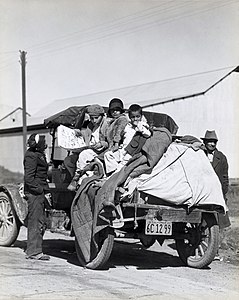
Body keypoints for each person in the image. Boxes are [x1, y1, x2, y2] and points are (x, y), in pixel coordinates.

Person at [202, 130, 230, 261]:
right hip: (202, 194)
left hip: (217, 195)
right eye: (209, 142)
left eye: (214, 142)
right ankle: (205, 251)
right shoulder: (199, 155)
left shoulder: (221, 157)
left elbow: (225, 177)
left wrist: (222, 193)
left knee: (217, 224)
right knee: (203, 223)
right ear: (205, 142)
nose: (212, 144)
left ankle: (215, 252)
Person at [67, 104, 108, 191]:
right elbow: (86, 137)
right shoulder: (90, 126)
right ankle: (79, 177)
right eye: (92, 118)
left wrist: (102, 143)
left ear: (102, 116)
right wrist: (78, 133)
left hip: (101, 151)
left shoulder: (106, 125)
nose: (94, 120)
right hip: (91, 149)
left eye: (96, 118)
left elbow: (110, 142)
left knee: (84, 155)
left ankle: (78, 177)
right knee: (69, 160)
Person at [23, 133, 51, 260]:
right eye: (43, 143)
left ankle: (35, 249)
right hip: (34, 193)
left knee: (40, 220)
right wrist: (39, 190)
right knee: (35, 220)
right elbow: (29, 178)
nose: (45, 145)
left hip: (39, 191)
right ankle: (34, 252)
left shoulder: (38, 154)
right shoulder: (31, 156)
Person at [104, 104, 151, 175]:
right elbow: (123, 136)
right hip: (123, 149)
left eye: (137, 117)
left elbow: (148, 134)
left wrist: (139, 127)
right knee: (108, 155)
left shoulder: (143, 126)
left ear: (141, 117)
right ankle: (113, 172)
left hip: (132, 152)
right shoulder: (128, 126)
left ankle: (114, 175)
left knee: (121, 165)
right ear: (129, 117)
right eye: (133, 117)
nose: (135, 119)